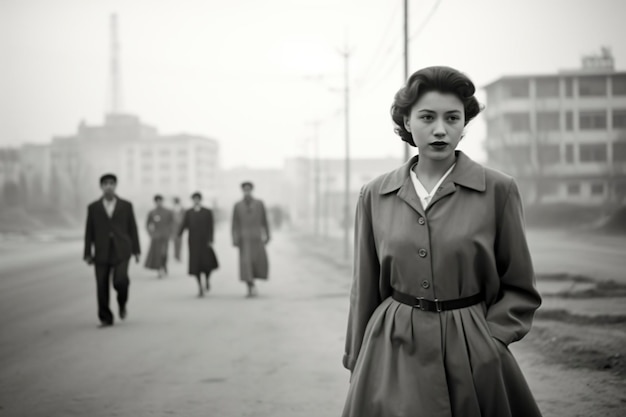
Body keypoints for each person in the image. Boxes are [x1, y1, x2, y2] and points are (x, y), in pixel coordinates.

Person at [341, 66, 543, 417]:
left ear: (464, 124)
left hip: (472, 348)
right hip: (390, 346)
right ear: (406, 121)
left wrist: (491, 340)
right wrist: (358, 358)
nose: (440, 129)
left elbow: (520, 286)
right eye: (427, 117)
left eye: (453, 118)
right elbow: (365, 289)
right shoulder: (374, 194)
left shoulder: (498, 190)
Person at [83, 173, 140, 327]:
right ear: (101, 187)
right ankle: (105, 317)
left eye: (111, 183)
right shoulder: (93, 207)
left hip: (122, 251)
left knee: (121, 281)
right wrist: (88, 253)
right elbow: (89, 231)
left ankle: (122, 302)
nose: (108, 186)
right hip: (101, 252)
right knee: (101, 285)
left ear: (115, 186)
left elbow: (132, 228)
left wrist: (136, 249)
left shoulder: (126, 206)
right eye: (105, 183)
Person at [231, 181, 270, 297]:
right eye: (245, 189)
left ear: (252, 190)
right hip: (244, 239)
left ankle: (253, 282)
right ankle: (250, 285)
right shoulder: (237, 206)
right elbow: (234, 224)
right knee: (245, 263)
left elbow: (265, 221)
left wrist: (267, 235)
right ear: (242, 191)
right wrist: (234, 238)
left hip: (256, 238)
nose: (247, 191)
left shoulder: (259, 204)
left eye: (249, 189)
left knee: (257, 262)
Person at [178, 192, 219, 297]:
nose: (196, 201)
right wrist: (179, 234)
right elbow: (184, 224)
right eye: (194, 199)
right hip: (193, 242)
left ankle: (207, 280)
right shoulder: (189, 212)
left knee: (207, 263)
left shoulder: (207, 212)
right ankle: (200, 286)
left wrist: (210, 239)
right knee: (196, 265)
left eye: (198, 199)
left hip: (205, 242)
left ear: (200, 200)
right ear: (192, 200)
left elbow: (211, 227)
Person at [144, 194, 174, 278]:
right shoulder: (152, 212)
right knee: (157, 254)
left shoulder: (168, 212)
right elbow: (147, 224)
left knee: (164, 253)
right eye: (157, 201)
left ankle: (164, 266)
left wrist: (171, 233)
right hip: (156, 237)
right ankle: (159, 269)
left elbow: (172, 223)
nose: (158, 203)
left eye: (160, 201)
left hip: (165, 236)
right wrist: (151, 233)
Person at [171, 197, 185, 262]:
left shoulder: (182, 209)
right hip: (174, 228)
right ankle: (176, 256)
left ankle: (178, 256)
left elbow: (184, 219)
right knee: (175, 242)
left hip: (180, 228)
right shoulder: (172, 210)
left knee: (179, 242)